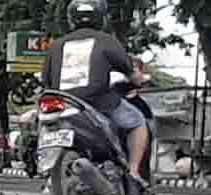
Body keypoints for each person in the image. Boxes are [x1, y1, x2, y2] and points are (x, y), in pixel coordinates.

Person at [41, 0, 148, 183]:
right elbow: (130, 72)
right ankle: (134, 172)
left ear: (71, 19)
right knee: (137, 121)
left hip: (62, 103)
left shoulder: (57, 45)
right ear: (101, 18)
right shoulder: (106, 40)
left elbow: (46, 81)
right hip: (98, 103)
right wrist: (141, 79)